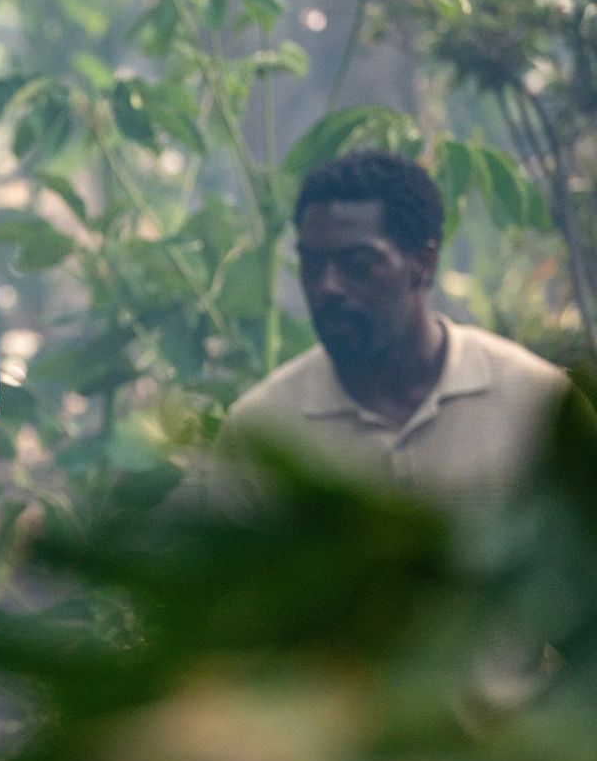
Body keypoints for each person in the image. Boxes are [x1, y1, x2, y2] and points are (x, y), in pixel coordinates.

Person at [222, 150, 571, 510]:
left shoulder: (539, 405)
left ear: (423, 263)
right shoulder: (260, 432)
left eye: (358, 263)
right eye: (311, 264)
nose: (327, 287)